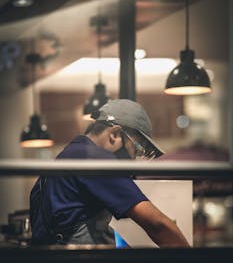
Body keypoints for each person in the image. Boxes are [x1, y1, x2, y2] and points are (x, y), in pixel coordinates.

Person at [30, 99, 190, 247]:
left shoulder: (73, 152)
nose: (134, 159)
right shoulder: (95, 159)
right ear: (114, 135)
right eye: (138, 149)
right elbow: (158, 225)